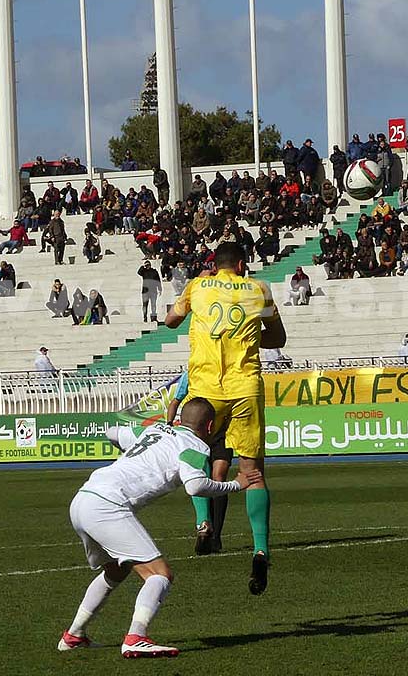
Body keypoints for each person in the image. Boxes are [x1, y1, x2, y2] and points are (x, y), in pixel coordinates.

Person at [57, 399, 261, 657]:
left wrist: (134, 453)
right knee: (160, 574)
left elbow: (112, 432)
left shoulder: (155, 430)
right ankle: (136, 637)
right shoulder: (194, 445)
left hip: (83, 498)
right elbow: (195, 486)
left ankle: (74, 635)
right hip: (108, 505)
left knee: (116, 571)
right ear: (210, 426)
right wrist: (236, 485)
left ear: (181, 419)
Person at [164, 242, 285, 594]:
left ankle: (204, 522)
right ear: (242, 265)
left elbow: (170, 322)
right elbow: (278, 337)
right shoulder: (259, 289)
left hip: (205, 388)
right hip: (244, 386)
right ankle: (260, 549)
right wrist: (247, 332)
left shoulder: (197, 286)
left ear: (215, 265)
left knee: (192, 459)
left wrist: (198, 287)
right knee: (252, 471)